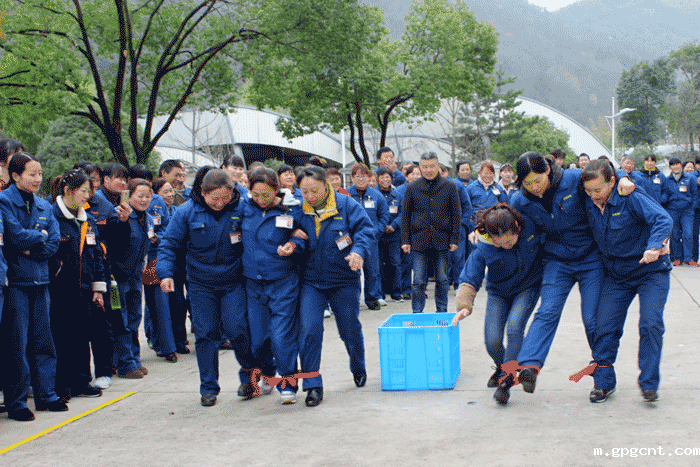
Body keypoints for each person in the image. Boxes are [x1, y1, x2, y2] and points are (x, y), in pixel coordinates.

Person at [504, 151, 634, 394]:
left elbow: (604, 174)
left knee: (592, 319)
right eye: (528, 183)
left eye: (538, 180)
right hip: (557, 261)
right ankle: (530, 365)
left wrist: (624, 177)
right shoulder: (521, 201)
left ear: (547, 170)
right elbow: (510, 227)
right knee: (547, 311)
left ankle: (604, 378)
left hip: (590, 258)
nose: (534, 187)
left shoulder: (573, 179)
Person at [158, 169, 272, 407]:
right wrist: (166, 273)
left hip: (234, 281)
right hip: (201, 284)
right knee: (205, 334)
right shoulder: (186, 212)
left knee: (238, 329)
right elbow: (169, 244)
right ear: (203, 193)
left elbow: (265, 220)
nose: (220, 203)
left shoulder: (241, 208)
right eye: (214, 198)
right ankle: (208, 387)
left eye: (225, 198)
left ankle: (249, 376)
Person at [580, 159, 672, 403]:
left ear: (612, 182)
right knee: (604, 327)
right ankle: (603, 383)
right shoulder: (589, 200)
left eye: (598, 190)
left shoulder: (630, 196)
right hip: (617, 275)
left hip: (650, 270)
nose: (593, 196)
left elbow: (663, 219)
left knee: (650, 324)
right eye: (588, 191)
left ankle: (649, 384)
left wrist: (654, 246)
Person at [296, 166, 375, 407]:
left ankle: (358, 366)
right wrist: (293, 240)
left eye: (315, 190)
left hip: (343, 278)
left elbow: (365, 230)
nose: (310, 196)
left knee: (349, 329)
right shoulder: (298, 208)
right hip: (311, 281)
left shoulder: (346, 204)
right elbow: (288, 232)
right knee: (309, 330)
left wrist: (358, 252)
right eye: (304, 191)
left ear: (326, 184)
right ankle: (312, 385)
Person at [453, 204, 542, 405]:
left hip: (527, 287)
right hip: (498, 292)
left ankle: (506, 380)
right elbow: (470, 275)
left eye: (510, 241)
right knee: (492, 340)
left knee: (514, 327)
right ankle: (502, 366)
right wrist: (464, 305)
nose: (506, 246)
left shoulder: (530, 227)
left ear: (517, 228)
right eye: (499, 244)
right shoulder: (484, 244)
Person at [0, 153, 64, 421]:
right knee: (17, 344)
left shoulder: (43, 205)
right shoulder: (4, 201)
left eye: (40, 173)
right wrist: (40, 236)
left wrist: (34, 247)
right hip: (16, 283)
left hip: (41, 280)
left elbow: (54, 241)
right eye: (32, 174)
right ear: (15, 176)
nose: (38, 179)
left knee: (44, 341)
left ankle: (47, 395)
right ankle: (17, 402)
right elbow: (13, 236)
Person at [242, 168, 306, 404]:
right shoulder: (243, 209)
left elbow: (304, 234)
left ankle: (288, 383)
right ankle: (268, 374)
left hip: (283, 281)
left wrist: (294, 243)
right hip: (253, 284)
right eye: (256, 194)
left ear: (277, 190)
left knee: (281, 336)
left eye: (266, 194)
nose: (261, 199)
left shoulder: (292, 209)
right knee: (258, 340)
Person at [49, 169, 106, 401]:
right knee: (61, 337)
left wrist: (97, 287)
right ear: (67, 190)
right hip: (59, 290)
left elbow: (96, 255)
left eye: (89, 191)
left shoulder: (87, 219)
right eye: (83, 191)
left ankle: (82, 380)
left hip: (84, 289)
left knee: (83, 335)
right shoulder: (51, 215)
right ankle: (61, 385)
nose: (87, 196)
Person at [104, 178, 155, 379]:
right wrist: (123, 222)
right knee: (121, 321)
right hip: (119, 276)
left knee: (134, 318)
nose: (144, 200)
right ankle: (124, 363)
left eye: (148, 196)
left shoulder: (147, 218)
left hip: (136, 275)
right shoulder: (119, 215)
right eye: (139, 196)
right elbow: (113, 242)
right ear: (129, 196)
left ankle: (134, 359)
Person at [401, 152, 461, 314]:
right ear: (420, 167)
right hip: (419, 240)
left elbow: (456, 214)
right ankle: (417, 313)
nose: (428, 170)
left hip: (442, 239)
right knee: (419, 280)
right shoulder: (412, 187)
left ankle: (441, 311)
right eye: (425, 167)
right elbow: (405, 215)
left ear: (438, 166)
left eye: (432, 166)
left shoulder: (449, 186)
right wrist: (405, 240)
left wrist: (454, 238)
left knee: (442, 279)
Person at [151, 178, 188, 354]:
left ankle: (180, 341)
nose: (170, 194)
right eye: (165, 191)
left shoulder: (177, 211)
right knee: (162, 306)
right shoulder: (151, 211)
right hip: (159, 263)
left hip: (179, 262)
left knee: (179, 303)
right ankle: (163, 343)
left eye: (171, 190)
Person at [347, 163, 389, 310]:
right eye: (357, 176)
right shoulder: (346, 195)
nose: (361, 179)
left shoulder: (376, 195)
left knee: (372, 270)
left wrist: (376, 232)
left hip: (371, 239)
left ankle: (372, 299)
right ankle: (353, 300)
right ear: (352, 178)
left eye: (364, 176)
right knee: (353, 270)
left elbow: (384, 216)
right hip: (352, 241)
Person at [662, 157, 697, 267]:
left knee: (688, 234)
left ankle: (688, 258)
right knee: (675, 234)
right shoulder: (667, 180)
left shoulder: (690, 178)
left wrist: (692, 207)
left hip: (687, 211)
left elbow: (695, 194)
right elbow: (664, 193)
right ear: (670, 167)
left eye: (677, 164)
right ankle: (677, 258)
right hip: (673, 210)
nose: (675, 166)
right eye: (673, 165)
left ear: (681, 165)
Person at [376, 167, 403, 302]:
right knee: (379, 265)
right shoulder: (373, 194)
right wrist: (382, 226)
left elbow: (403, 213)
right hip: (379, 235)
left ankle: (396, 292)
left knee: (395, 263)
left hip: (394, 234)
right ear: (378, 179)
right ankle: (380, 294)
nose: (385, 180)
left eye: (388, 177)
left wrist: (394, 225)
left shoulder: (397, 195)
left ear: (391, 179)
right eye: (382, 177)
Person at [395, 165, 421, 301]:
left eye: (418, 174)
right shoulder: (399, 191)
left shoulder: (425, 189)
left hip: (420, 231)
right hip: (404, 230)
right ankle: (405, 288)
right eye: (413, 174)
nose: (415, 176)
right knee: (405, 261)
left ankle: (419, 289)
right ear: (406, 176)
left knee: (418, 262)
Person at [683, 160, 700, 264]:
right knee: (692, 234)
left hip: (693, 208)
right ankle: (692, 258)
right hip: (694, 209)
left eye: (691, 167)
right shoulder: (692, 177)